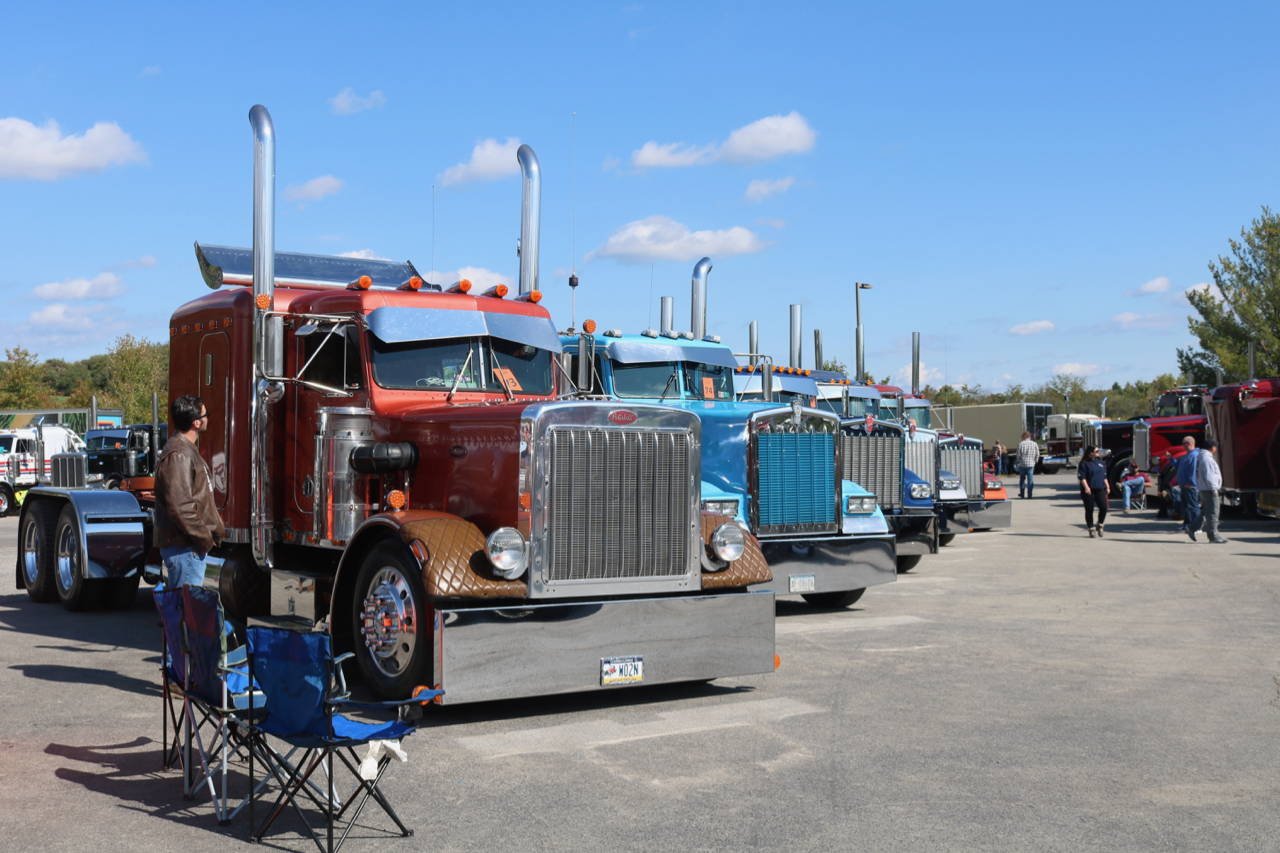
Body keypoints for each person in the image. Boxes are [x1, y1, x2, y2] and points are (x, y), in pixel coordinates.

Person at [155, 394, 225, 587]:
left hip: (187, 548)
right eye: (205, 414)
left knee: (186, 610)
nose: (207, 418)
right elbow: (181, 506)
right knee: (186, 611)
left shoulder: (184, 450)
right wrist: (204, 539)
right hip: (185, 549)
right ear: (196, 422)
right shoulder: (180, 454)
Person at [1197, 438, 1228, 543]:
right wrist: (1214, 489)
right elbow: (1209, 476)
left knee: (1207, 512)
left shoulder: (1203, 457)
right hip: (1210, 489)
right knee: (1213, 513)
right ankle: (1213, 535)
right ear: (1212, 448)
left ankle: (1193, 528)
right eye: (1215, 447)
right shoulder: (1207, 459)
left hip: (1206, 489)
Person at [1077, 445, 1111, 537]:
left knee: (1104, 507)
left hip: (1100, 489)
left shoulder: (1101, 463)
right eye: (1096, 451)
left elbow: (1104, 476)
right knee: (1089, 509)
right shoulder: (1084, 463)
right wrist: (1086, 487)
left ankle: (1100, 524)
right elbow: (1082, 477)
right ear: (1090, 453)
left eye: (1098, 451)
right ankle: (1091, 528)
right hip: (1089, 490)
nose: (1098, 453)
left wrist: (1108, 487)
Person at [1174, 436, 1202, 541]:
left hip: (1190, 486)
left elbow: (1192, 470)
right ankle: (1187, 524)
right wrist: (1171, 459)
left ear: (1188, 443)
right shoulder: (1187, 455)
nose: (1182, 446)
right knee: (1186, 507)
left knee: (1193, 506)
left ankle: (1197, 527)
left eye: (1183, 443)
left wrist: (1190, 482)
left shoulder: (1194, 455)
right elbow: (1178, 466)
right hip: (1184, 486)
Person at [1015, 431, 1040, 498]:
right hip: (1031, 464)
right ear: (1029, 436)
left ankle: (1022, 494)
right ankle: (1030, 495)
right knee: (1030, 480)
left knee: (1022, 479)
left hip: (1022, 464)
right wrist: (1035, 461)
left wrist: (1018, 461)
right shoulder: (1034, 444)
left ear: (1024, 437)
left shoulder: (1020, 444)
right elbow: (1037, 454)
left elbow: (1018, 455)